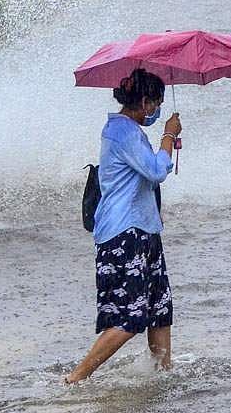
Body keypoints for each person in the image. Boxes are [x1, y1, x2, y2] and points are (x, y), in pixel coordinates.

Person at [66, 69, 182, 384]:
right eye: (155, 104)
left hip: (144, 230)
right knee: (130, 318)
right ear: (144, 102)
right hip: (123, 235)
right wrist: (169, 136)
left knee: (160, 308)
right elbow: (157, 171)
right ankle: (75, 379)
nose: (157, 111)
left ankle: (163, 376)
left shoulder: (128, 131)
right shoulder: (124, 133)